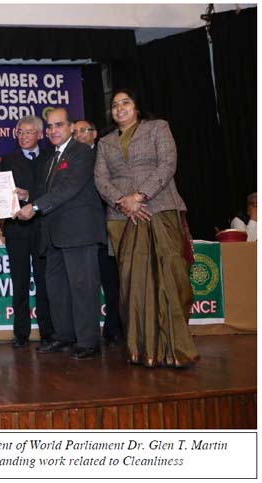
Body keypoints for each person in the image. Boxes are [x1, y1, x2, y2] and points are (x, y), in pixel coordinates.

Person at [94, 88, 199, 368]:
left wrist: (139, 196)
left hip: (160, 208)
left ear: (137, 107)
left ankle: (176, 347)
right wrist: (123, 203)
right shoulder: (104, 143)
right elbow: (101, 181)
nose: (119, 108)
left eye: (125, 102)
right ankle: (142, 349)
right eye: (115, 105)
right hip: (122, 218)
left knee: (171, 277)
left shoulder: (157, 128)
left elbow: (168, 164)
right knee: (133, 285)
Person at [16, 107, 105, 360]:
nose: (53, 130)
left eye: (59, 125)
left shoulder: (81, 152)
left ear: (70, 128)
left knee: (82, 286)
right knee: (57, 288)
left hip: (78, 232)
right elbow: (46, 192)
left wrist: (33, 207)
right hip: (53, 234)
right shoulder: (50, 158)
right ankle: (64, 335)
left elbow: (69, 188)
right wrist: (28, 197)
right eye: (50, 126)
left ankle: (88, 341)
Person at [0, 115, 54, 349]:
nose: (23, 136)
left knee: (45, 283)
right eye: (20, 132)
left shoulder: (50, 158)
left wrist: (29, 197)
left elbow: (53, 190)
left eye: (29, 132)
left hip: (43, 227)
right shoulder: (6, 161)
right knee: (19, 281)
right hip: (17, 229)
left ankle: (48, 332)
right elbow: (1, 194)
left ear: (40, 135)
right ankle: (20, 332)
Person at [73, 118, 123, 344]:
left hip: (111, 223)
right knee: (93, 282)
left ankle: (117, 326)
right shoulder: (70, 159)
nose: (80, 135)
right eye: (76, 132)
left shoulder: (105, 155)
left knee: (116, 280)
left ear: (95, 134)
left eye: (85, 130)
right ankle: (106, 329)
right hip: (85, 230)